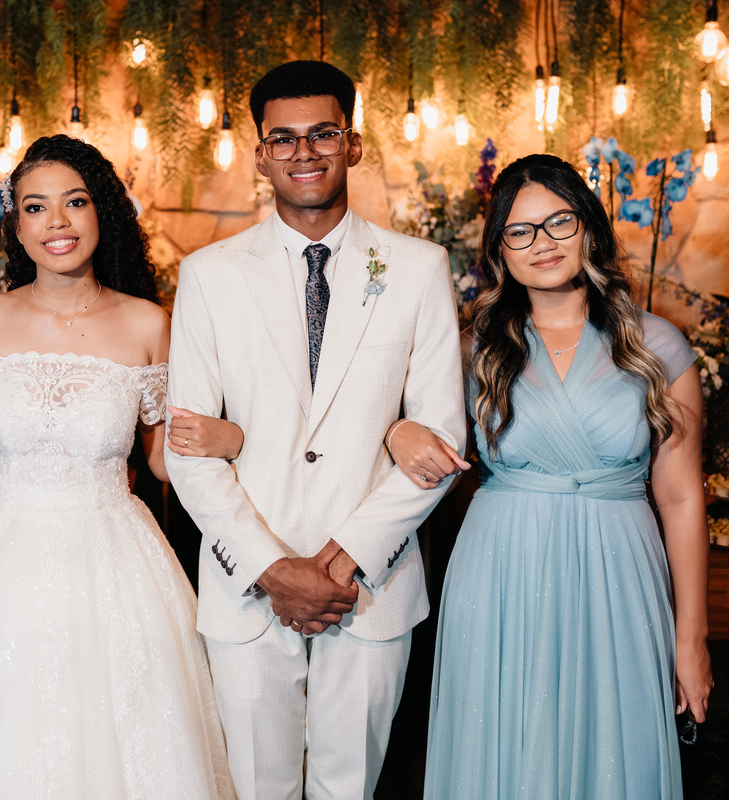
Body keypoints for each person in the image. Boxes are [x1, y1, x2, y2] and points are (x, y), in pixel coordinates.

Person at [164, 60, 467, 799]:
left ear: (352, 144)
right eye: (284, 138)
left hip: (369, 586)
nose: (304, 152)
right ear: (260, 154)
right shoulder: (208, 274)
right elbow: (189, 448)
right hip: (247, 586)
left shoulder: (419, 268)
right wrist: (272, 568)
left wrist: (343, 561)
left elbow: (439, 443)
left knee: (350, 788)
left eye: (323, 133)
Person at [0, 134, 239, 799]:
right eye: (35, 207)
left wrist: (232, 440)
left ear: (101, 212)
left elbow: (161, 459)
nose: (56, 221)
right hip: (0, 558)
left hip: (116, 556)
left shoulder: (148, 323)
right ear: (17, 226)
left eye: (74, 202)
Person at [387, 153, 713, 798]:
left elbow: (680, 498)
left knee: (614, 743)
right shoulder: (470, 349)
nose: (543, 242)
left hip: (621, 570)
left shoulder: (656, 345)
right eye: (520, 230)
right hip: (501, 569)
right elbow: (394, 425)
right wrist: (396, 431)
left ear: (589, 226)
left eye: (560, 221)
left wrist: (691, 636)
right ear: (499, 250)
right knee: (504, 737)